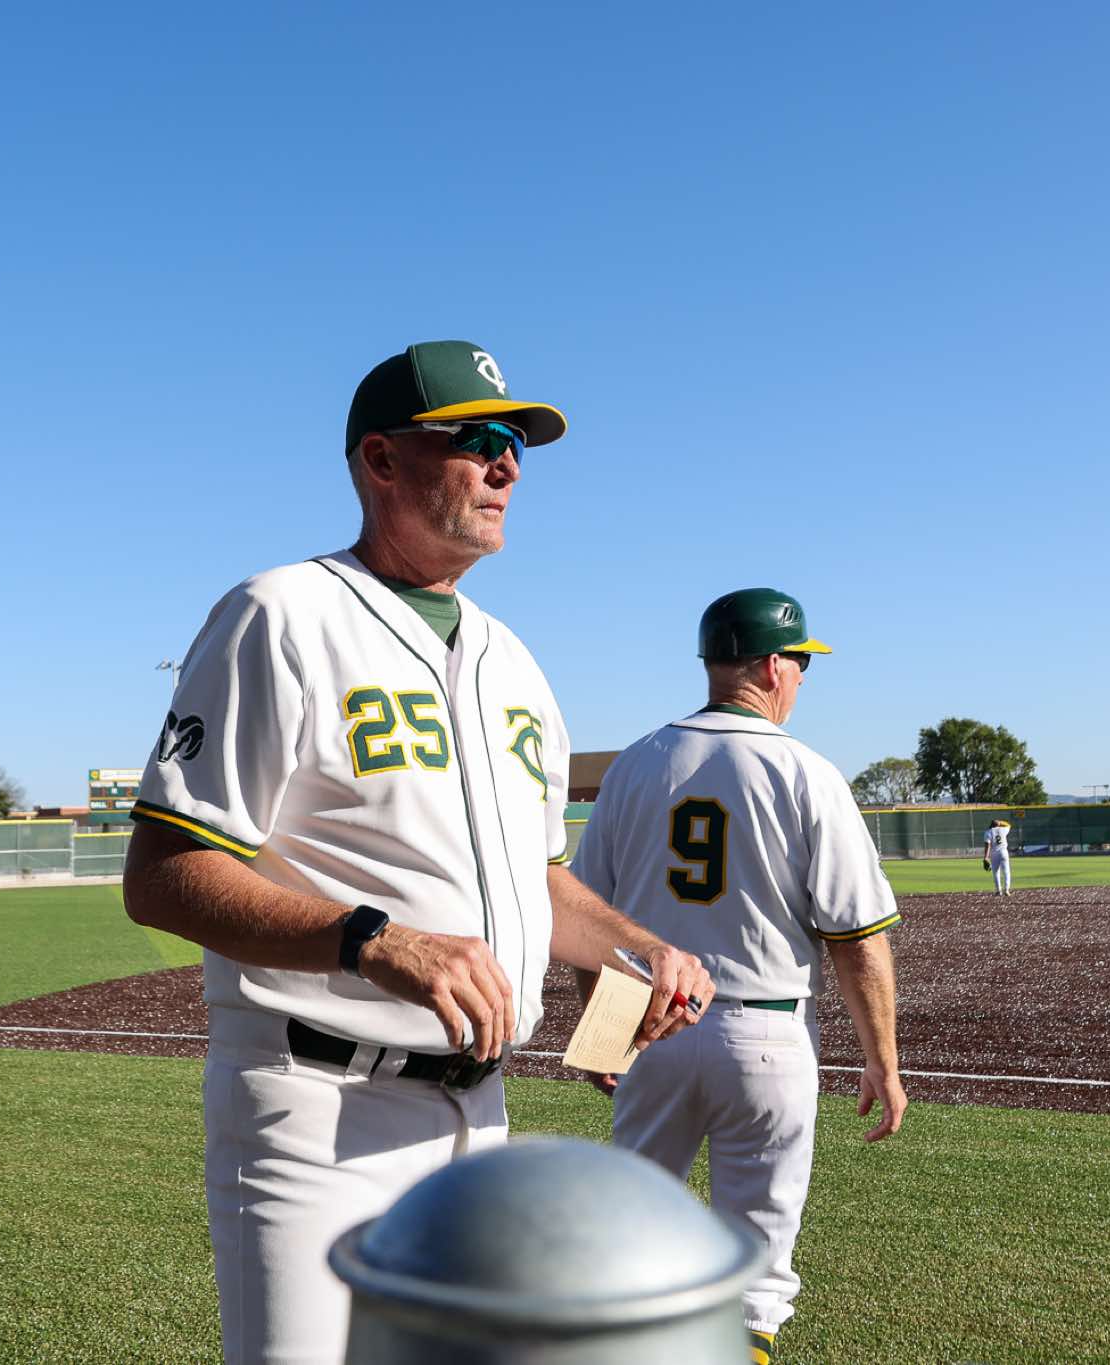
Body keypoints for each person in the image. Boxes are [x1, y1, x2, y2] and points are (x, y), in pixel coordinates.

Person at [121, 341, 715, 1365]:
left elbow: (537, 880)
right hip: (317, 1106)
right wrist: (375, 940)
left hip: (480, 1111)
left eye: (515, 443)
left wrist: (635, 949)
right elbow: (164, 874)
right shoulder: (280, 613)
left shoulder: (513, 659)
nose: (508, 464)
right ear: (381, 459)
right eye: (476, 439)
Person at [570, 587, 906, 1365]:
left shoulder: (636, 762)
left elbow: (585, 919)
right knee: (756, 1271)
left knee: (630, 1244)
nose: (803, 677)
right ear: (770, 666)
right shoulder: (808, 771)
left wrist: (603, 1035)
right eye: (800, 662)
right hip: (765, 1033)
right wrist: (883, 1063)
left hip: (652, 1027)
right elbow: (858, 942)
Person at [983, 817, 1013, 895]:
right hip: (1004, 852)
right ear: (998, 825)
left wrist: (986, 857)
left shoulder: (988, 832)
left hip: (994, 853)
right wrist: (1000, 822)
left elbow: (987, 845)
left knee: (996, 872)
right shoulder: (1003, 829)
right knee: (1006, 871)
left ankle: (998, 890)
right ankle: (1006, 890)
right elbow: (1008, 825)